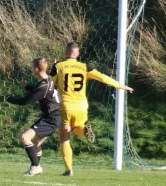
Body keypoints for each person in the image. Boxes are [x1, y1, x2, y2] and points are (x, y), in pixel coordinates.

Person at [50, 42, 134, 176]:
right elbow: (103, 77)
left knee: (64, 137)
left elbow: (49, 83)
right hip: (82, 105)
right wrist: (121, 86)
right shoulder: (84, 67)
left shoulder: (59, 66)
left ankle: (68, 169)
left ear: (65, 53)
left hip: (66, 105)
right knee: (78, 128)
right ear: (77, 54)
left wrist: (52, 67)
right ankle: (85, 130)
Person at [6, 57, 60, 176]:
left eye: (31, 67)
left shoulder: (43, 86)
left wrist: (9, 99)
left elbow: (26, 101)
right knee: (36, 142)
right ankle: (35, 167)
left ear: (36, 69)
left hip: (52, 118)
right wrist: (27, 87)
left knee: (25, 137)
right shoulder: (48, 80)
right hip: (53, 116)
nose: (31, 69)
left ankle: (36, 166)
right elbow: (39, 92)